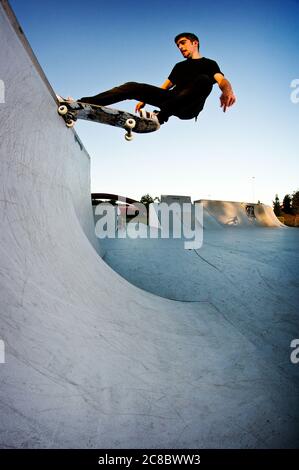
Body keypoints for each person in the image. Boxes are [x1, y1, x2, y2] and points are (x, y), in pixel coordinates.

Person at [75, 32, 236, 126]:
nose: (180, 47)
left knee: (204, 80)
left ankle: (159, 117)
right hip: (172, 100)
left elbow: (221, 80)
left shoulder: (209, 63)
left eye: (183, 43)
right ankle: (84, 103)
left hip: (190, 107)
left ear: (195, 43)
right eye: (178, 46)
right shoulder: (179, 66)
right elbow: (164, 88)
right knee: (131, 86)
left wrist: (227, 91)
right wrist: (143, 98)